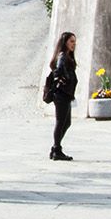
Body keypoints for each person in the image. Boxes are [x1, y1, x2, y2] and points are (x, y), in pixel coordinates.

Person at [45, 31, 78, 161]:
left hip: (66, 94)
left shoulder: (67, 56)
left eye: (74, 42)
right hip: (61, 94)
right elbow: (58, 71)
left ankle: (56, 148)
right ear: (65, 42)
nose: (74, 44)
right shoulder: (63, 56)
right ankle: (56, 149)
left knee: (66, 122)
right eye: (71, 41)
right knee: (61, 122)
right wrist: (64, 79)